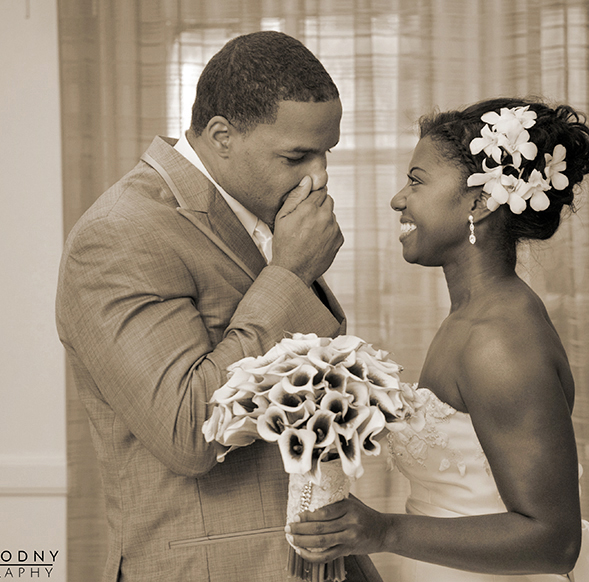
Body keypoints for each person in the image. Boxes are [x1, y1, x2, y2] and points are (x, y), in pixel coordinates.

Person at [56, 31, 380, 581]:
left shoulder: (253, 213)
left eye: (326, 152)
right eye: (297, 155)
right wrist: (290, 273)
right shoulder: (119, 236)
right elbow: (188, 433)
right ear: (221, 135)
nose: (319, 176)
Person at [287, 97, 589, 581]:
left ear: (480, 202)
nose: (399, 198)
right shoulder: (472, 317)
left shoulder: (498, 339)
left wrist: (383, 531)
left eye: (416, 181)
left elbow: (554, 540)